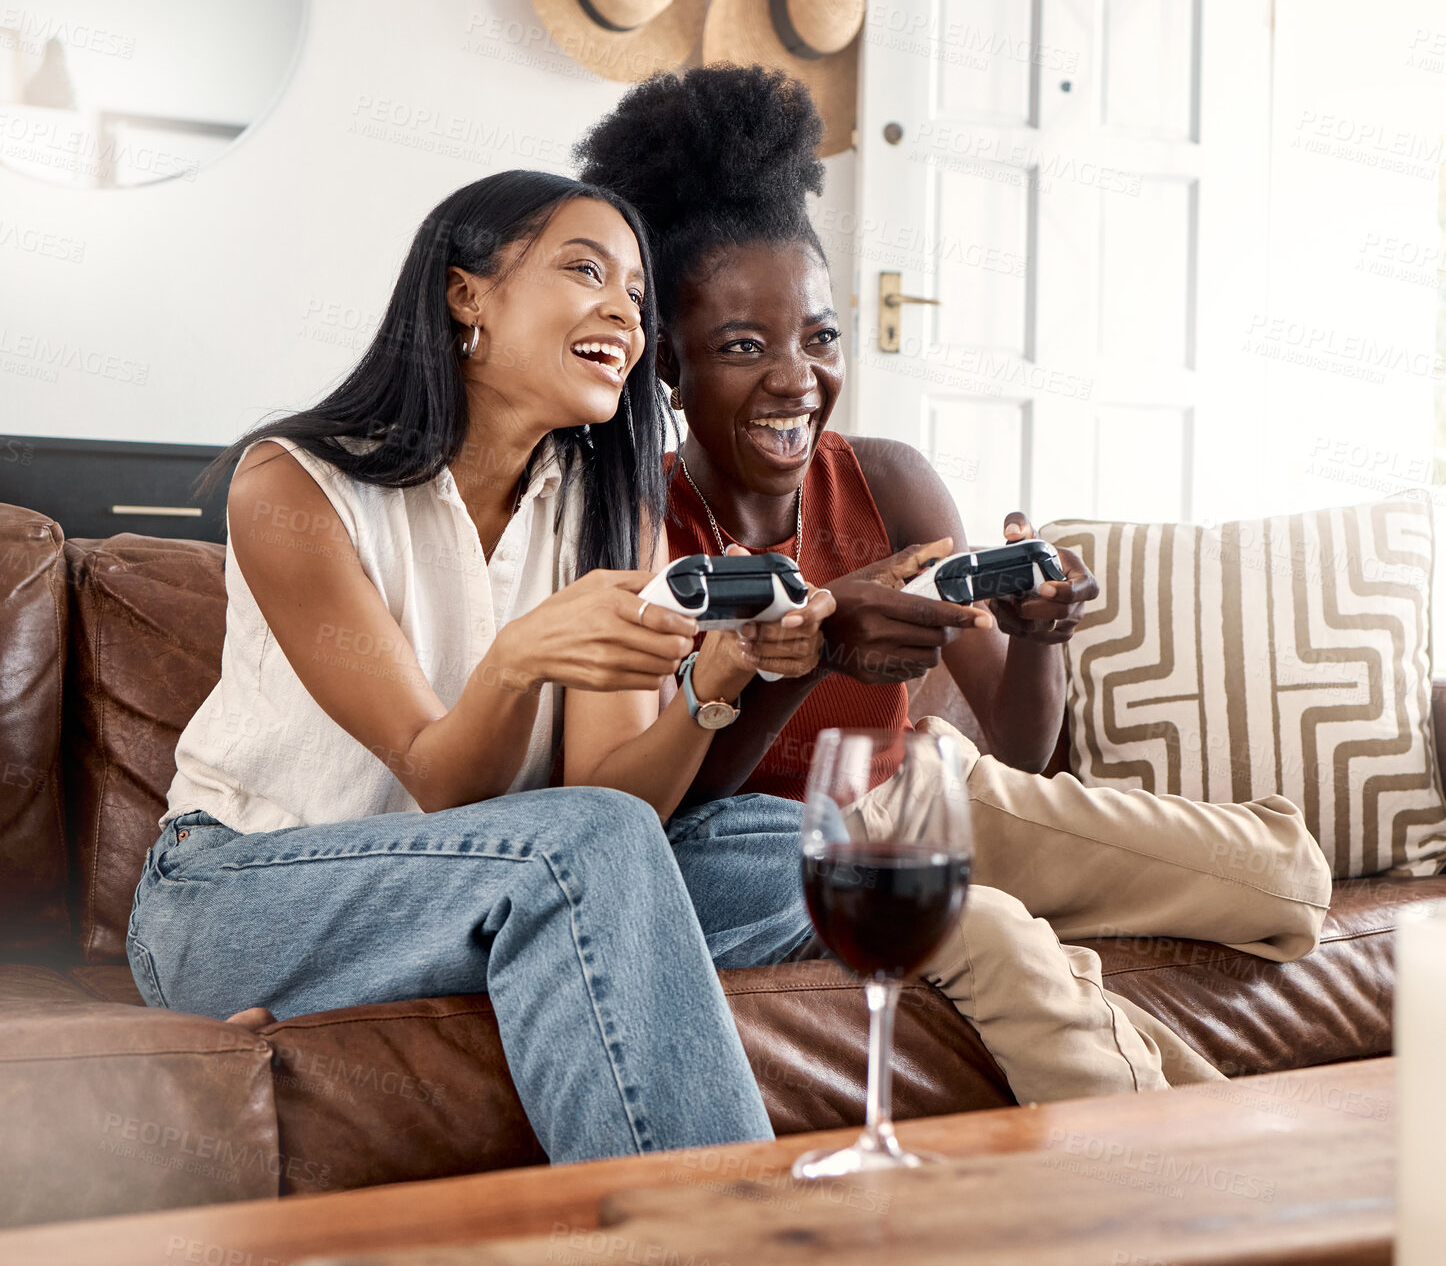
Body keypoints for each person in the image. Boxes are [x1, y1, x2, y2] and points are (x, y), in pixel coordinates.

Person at [576, 66, 1334, 1100]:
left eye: (821, 336)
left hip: (934, 792)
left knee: (1289, 881)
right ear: (670, 362)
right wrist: (812, 653)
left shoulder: (888, 482)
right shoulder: (640, 528)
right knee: (1007, 942)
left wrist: (1038, 637)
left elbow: (1022, 745)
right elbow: (674, 806)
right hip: (777, 852)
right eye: (743, 347)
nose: (797, 378)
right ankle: (1200, 1168)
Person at [125, 170, 837, 1165]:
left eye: (635, 294)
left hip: (498, 878)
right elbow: (440, 776)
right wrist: (517, 661)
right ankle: (723, 1230)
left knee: (808, 852)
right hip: (239, 894)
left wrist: (715, 683)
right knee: (581, 858)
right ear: (469, 296)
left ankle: (524, 957)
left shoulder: (609, 507)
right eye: (583, 269)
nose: (622, 315)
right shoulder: (293, 483)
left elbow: (610, 794)